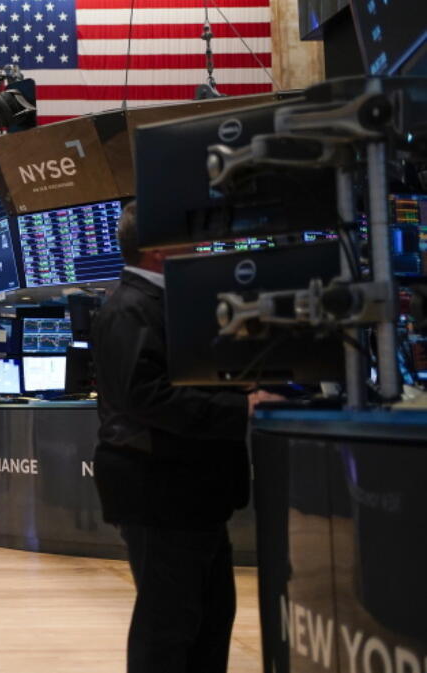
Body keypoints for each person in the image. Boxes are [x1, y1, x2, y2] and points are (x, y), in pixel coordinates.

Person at [91, 201, 282, 673]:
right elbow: (147, 397)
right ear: (157, 249)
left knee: (209, 619)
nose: (200, 247)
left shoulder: (160, 303)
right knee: (169, 626)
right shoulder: (130, 307)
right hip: (159, 490)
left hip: (190, 491)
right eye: (189, 237)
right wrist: (241, 407)